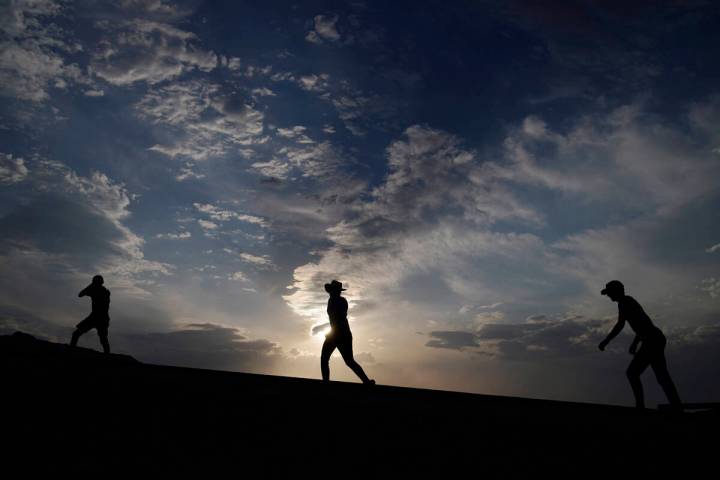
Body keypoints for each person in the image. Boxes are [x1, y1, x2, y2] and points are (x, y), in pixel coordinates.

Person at [598, 280, 681, 410]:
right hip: (653, 339)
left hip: (652, 341)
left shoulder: (626, 303)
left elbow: (621, 325)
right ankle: (676, 405)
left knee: (632, 373)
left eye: (610, 293)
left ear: (617, 292)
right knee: (661, 376)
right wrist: (635, 343)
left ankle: (641, 406)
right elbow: (642, 325)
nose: (609, 296)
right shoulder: (625, 303)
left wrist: (606, 341)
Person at [320, 280, 375, 385]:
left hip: (339, 334)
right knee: (347, 361)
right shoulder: (333, 300)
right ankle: (366, 382)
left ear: (335, 291)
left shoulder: (339, 301)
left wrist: (332, 333)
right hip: (342, 334)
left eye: (333, 290)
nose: (331, 292)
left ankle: (326, 383)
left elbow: (338, 319)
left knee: (328, 359)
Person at [70, 275, 111, 354]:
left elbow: (81, 294)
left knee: (103, 339)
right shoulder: (103, 291)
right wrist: (91, 286)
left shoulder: (99, 291)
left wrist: (90, 286)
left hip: (98, 318)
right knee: (103, 339)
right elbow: (80, 294)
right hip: (98, 318)